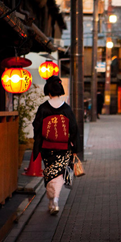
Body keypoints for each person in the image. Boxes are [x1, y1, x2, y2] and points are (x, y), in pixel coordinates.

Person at [32, 76, 79, 215]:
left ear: (48, 91)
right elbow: (74, 128)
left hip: (47, 147)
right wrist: (73, 145)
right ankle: (55, 200)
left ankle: (53, 200)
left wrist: (38, 143)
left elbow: (37, 126)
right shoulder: (66, 109)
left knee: (49, 172)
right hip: (63, 147)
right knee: (58, 174)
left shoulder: (43, 108)